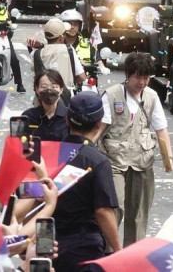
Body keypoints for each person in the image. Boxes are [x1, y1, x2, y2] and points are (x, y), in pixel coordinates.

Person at [98, 52, 173, 247]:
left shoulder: (152, 96)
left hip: (142, 160)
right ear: (128, 75)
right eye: (138, 77)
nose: (142, 82)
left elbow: (161, 129)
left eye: (146, 77)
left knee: (139, 213)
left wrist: (168, 159)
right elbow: (99, 130)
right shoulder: (112, 94)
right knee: (114, 206)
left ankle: (133, 255)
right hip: (114, 161)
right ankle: (108, 251)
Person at [53, 91, 121, 270]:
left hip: (48, 244)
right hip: (84, 247)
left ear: (67, 119)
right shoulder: (98, 162)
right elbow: (103, 212)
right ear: (99, 124)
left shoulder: (50, 154)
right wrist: (118, 249)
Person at [33, 18, 86, 97]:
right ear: (61, 37)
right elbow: (82, 77)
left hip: (42, 99)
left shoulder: (36, 53)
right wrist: (70, 82)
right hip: (64, 98)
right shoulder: (69, 49)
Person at [22, 70, 70, 141]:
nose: (49, 90)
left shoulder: (69, 116)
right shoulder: (28, 116)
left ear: (61, 90)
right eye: (44, 87)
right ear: (37, 89)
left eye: (54, 87)